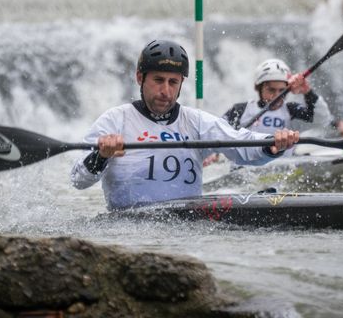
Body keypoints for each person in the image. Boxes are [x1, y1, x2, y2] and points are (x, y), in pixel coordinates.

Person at [70, 40, 300, 210]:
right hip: (128, 226)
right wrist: (101, 155)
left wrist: (273, 144)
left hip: (186, 228)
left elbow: (243, 145)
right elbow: (78, 180)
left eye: (173, 82)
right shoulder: (115, 120)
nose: (165, 91)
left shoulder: (197, 121)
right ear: (140, 78)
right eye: (158, 80)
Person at [223, 58, 343, 137]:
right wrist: (215, 153)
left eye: (282, 91)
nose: (276, 95)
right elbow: (218, 131)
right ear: (258, 88)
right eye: (271, 90)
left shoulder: (291, 111)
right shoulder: (240, 110)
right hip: (246, 168)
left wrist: (307, 91)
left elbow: (321, 119)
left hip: (283, 168)